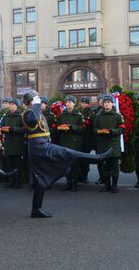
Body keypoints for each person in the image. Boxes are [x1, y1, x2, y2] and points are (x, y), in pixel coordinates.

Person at [21, 90, 112, 218]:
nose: (40, 101)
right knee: (67, 152)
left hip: (42, 146)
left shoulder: (37, 112)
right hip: (39, 148)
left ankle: (36, 210)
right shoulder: (28, 113)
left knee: (40, 181)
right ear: (32, 101)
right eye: (37, 99)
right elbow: (32, 121)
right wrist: (35, 105)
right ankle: (98, 158)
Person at [94, 95, 124, 193]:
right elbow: (94, 129)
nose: (107, 104)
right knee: (105, 167)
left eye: (108, 102)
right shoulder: (98, 116)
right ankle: (106, 185)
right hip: (102, 144)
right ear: (103, 104)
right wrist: (99, 131)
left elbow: (121, 129)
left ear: (112, 104)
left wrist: (111, 131)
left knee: (115, 166)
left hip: (114, 144)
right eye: (105, 102)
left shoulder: (117, 116)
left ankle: (114, 185)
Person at [57, 95, 84, 192]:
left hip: (75, 142)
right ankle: (68, 182)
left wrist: (72, 127)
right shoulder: (61, 115)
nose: (68, 103)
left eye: (70, 102)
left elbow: (82, 128)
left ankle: (75, 183)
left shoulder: (79, 115)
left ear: (74, 103)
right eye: (67, 102)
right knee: (66, 164)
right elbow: (58, 126)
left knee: (75, 163)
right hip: (64, 141)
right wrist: (61, 128)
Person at [0, 98, 26, 189]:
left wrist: (12, 129)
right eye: (10, 104)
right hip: (8, 142)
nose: (11, 106)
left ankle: (18, 182)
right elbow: (1, 127)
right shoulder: (6, 116)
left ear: (17, 106)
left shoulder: (21, 116)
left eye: (13, 104)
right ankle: (12, 181)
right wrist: (3, 129)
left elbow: (24, 129)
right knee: (10, 164)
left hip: (17, 143)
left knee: (18, 163)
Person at [78, 96, 93, 183]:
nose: (83, 104)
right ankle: (80, 175)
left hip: (87, 138)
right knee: (80, 157)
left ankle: (85, 176)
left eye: (85, 103)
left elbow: (86, 123)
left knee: (85, 158)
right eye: (82, 103)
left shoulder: (90, 111)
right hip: (80, 138)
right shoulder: (80, 111)